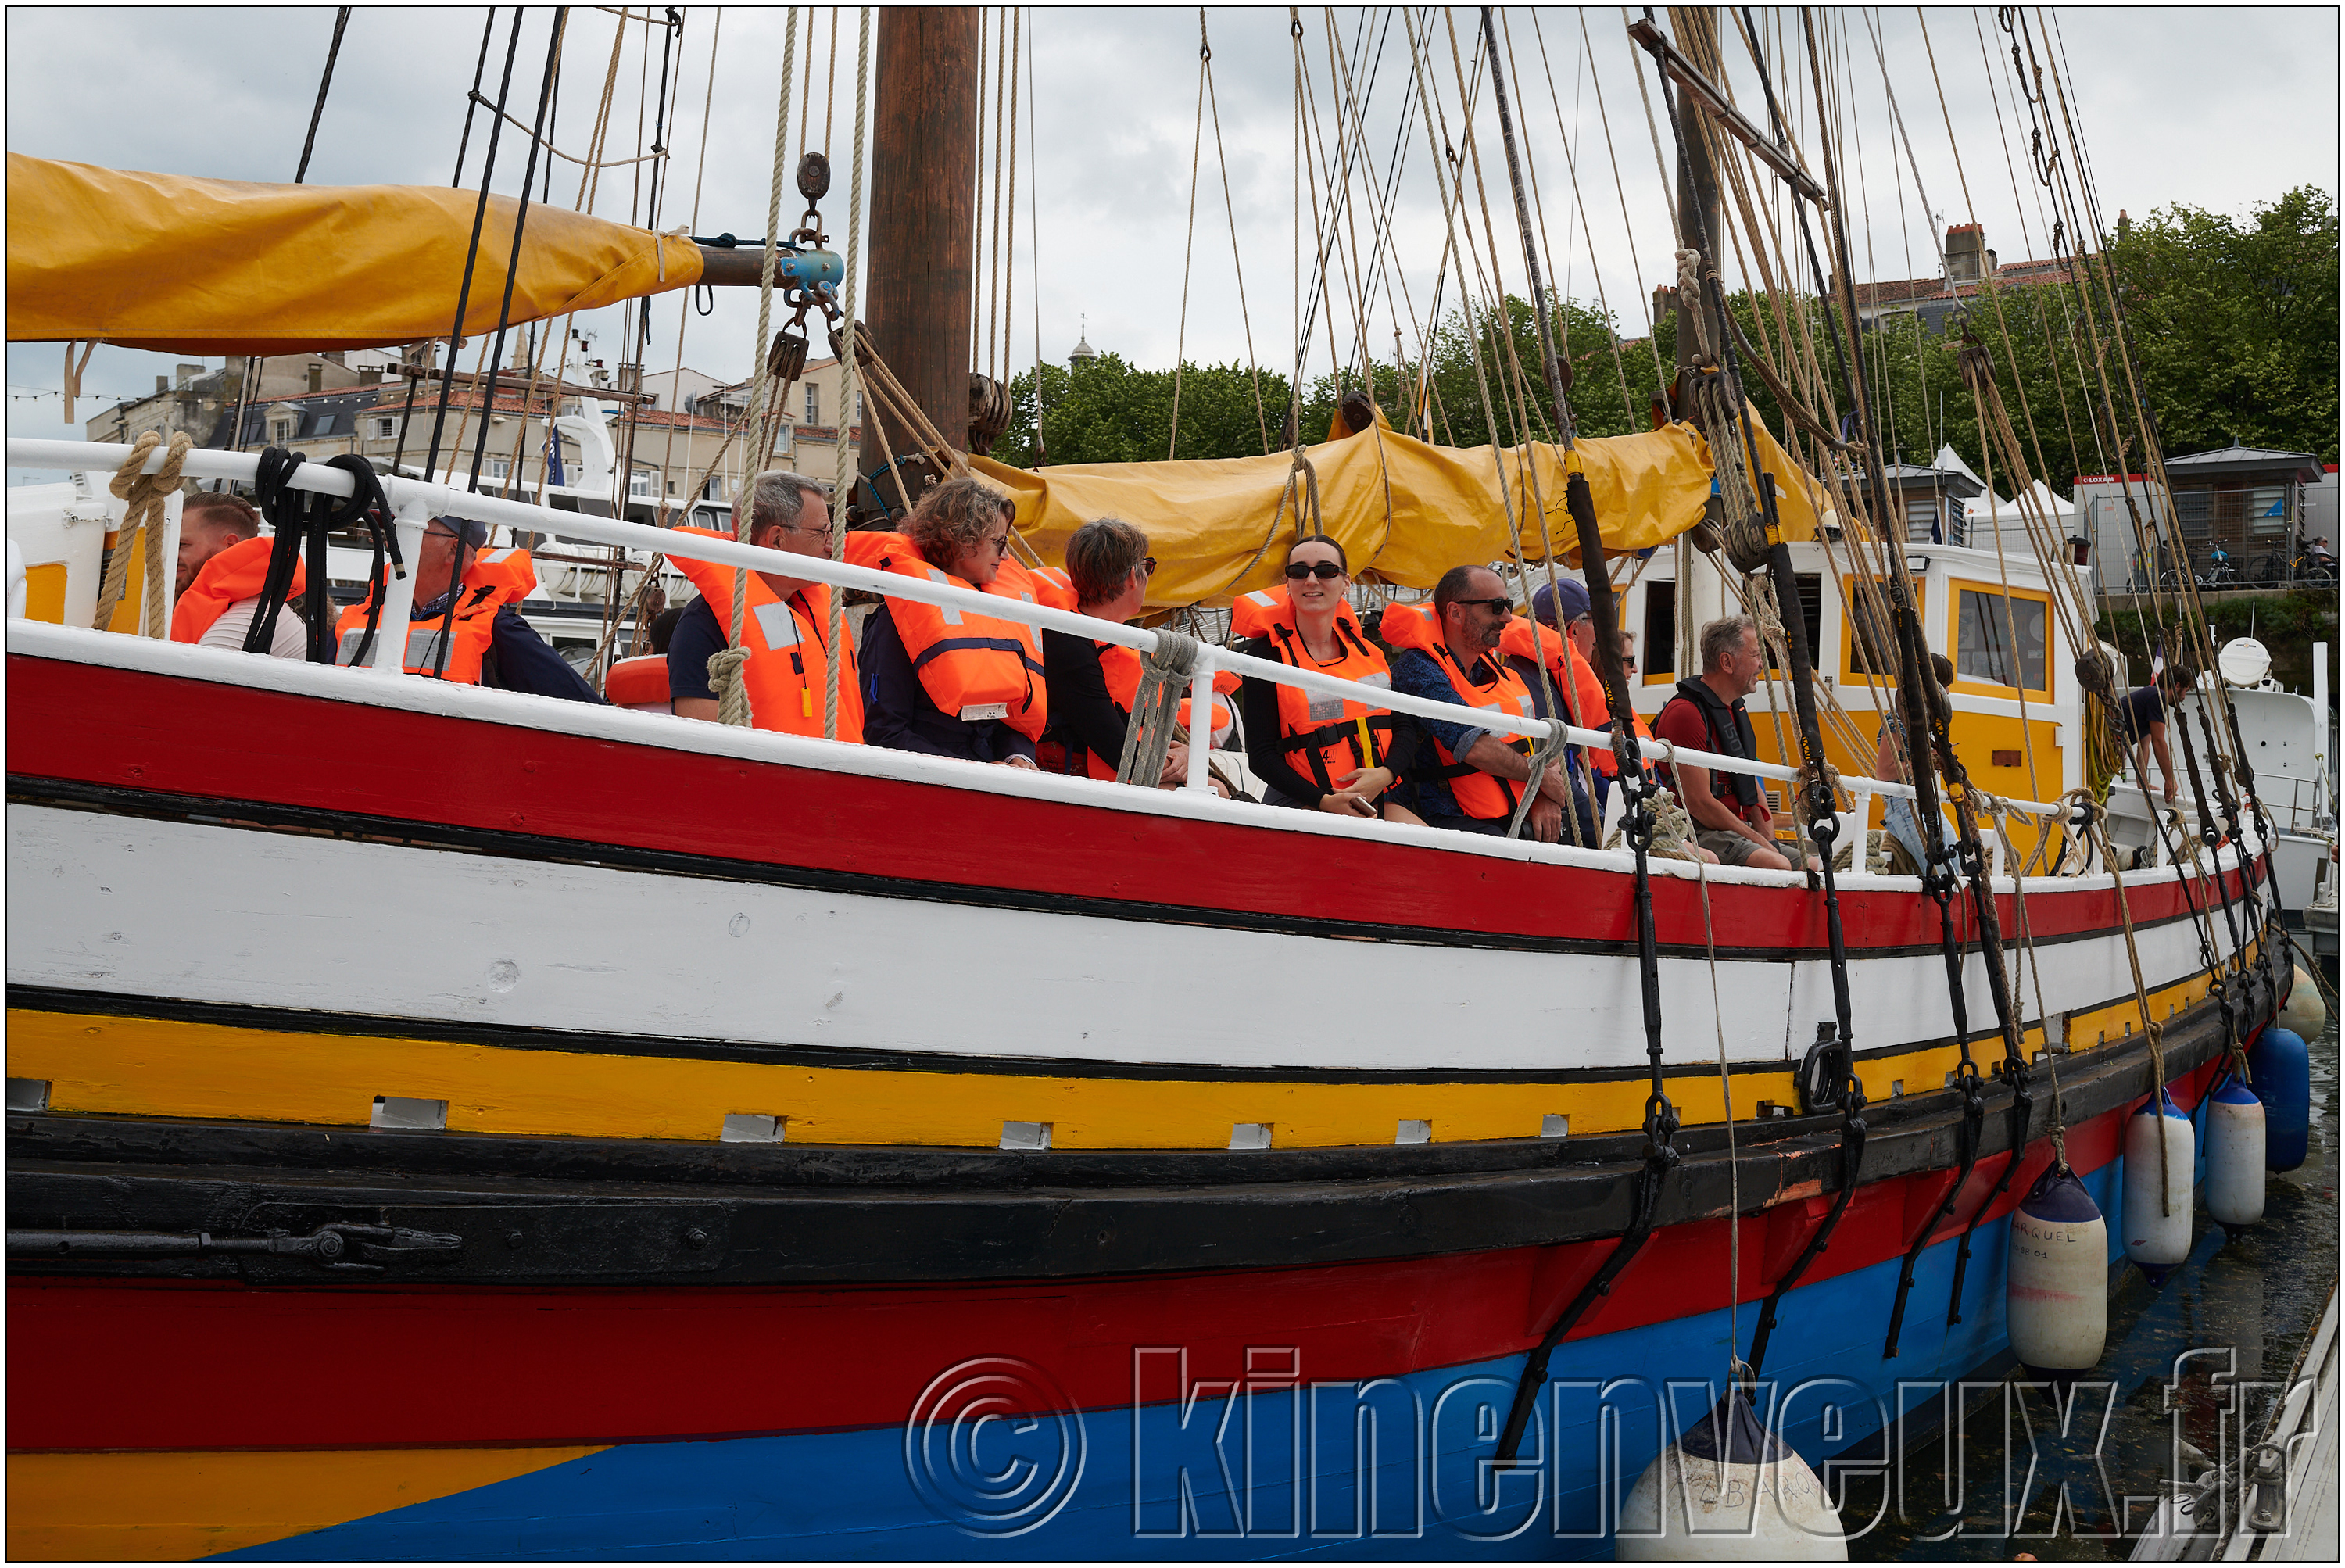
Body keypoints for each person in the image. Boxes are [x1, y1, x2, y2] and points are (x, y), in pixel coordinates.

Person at [1233, 535, 1423, 822]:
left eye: (1326, 571)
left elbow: (1403, 726)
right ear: (1288, 583)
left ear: (1347, 582)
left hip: (1374, 796)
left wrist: (1385, 774)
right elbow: (1261, 756)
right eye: (1299, 571)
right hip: (1300, 800)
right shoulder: (1266, 655)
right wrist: (1324, 801)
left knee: (1430, 855)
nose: (1311, 580)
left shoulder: (1368, 652)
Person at [861, 476, 1048, 768]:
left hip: (993, 776)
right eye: (998, 543)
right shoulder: (897, 622)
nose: (1007, 555)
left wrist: (1018, 757)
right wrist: (973, 772)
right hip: (932, 783)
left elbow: (1007, 719)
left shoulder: (998, 615)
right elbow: (884, 732)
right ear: (962, 542)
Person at [1381, 564, 1577, 840]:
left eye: (1507, 604)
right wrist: (1542, 779)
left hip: (1519, 803)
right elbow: (1472, 745)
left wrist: (1544, 795)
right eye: (1496, 607)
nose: (1508, 617)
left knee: (1593, 832)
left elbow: (1544, 740)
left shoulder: (1492, 669)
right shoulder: (1418, 671)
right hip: (1455, 818)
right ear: (1455, 612)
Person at [666, 469, 863, 740]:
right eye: (822, 532)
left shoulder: (818, 611)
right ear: (777, 540)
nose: (832, 544)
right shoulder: (704, 625)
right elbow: (702, 744)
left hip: (842, 773)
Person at [1040, 517, 1235, 790]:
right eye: (1148, 567)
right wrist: (1183, 763)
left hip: (1124, 767)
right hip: (1089, 781)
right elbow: (1117, 749)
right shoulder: (1071, 644)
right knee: (1218, 791)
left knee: (1214, 787)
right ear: (1133, 576)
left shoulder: (1103, 637)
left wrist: (1186, 754)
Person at [335, 515, 600, 701]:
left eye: (411, 528)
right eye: (394, 527)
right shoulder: (357, 618)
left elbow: (588, 713)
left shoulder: (500, 632)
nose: (390, 538)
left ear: (452, 550)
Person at [1653, 614, 1794, 871]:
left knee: (1814, 865)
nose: (1762, 664)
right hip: (1696, 829)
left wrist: (1769, 839)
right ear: (1727, 662)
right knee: (1777, 865)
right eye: (1755, 655)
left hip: (1734, 829)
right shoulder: (1685, 713)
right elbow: (1699, 803)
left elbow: (1750, 783)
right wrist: (1759, 841)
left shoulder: (1735, 711)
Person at [168, 492, 306, 657]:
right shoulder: (254, 609)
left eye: (182, 544)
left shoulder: (249, 620)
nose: (170, 555)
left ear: (230, 545)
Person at [1872, 651, 1958, 878]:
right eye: (1945, 685)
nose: (1948, 692)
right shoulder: (1898, 720)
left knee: (1953, 863)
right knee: (1943, 871)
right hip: (1905, 805)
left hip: (1925, 802)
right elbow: (1884, 771)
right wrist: (1926, 761)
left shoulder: (1921, 721)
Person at [2118, 663, 2196, 807]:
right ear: (2177, 686)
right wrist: (2170, 780)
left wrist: (2142, 782)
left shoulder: (2151, 695)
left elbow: (2144, 745)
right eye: (2185, 691)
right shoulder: (2157, 697)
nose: (2184, 698)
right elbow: (2158, 742)